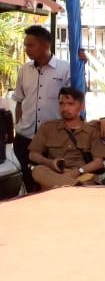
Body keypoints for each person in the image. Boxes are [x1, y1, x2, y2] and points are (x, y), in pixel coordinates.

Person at [11, 25, 70, 193]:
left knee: (52, 183)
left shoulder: (65, 69)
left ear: (45, 45)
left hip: (53, 139)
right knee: (28, 181)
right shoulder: (24, 70)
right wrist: (19, 126)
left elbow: (74, 100)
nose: (26, 49)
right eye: (25, 45)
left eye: (31, 45)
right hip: (25, 137)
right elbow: (19, 100)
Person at [27, 87, 105, 190]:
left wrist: (77, 172)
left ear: (81, 107)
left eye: (70, 104)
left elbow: (98, 162)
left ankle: (71, 187)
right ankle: (78, 188)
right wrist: (50, 163)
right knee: (38, 171)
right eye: (61, 104)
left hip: (83, 175)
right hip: (55, 174)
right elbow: (33, 154)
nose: (65, 108)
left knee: (49, 182)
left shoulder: (93, 129)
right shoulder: (48, 127)